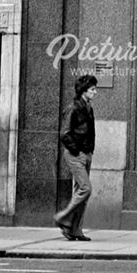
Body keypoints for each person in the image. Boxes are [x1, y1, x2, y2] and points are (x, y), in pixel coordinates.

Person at [53, 75, 97, 241]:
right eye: (92, 89)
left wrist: (89, 152)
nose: (95, 92)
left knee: (82, 194)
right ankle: (63, 217)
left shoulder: (88, 108)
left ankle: (75, 230)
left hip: (86, 154)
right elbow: (64, 134)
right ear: (84, 91)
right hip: (75, 154)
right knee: (86, 188)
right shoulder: (73, 108)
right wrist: (77, 151)